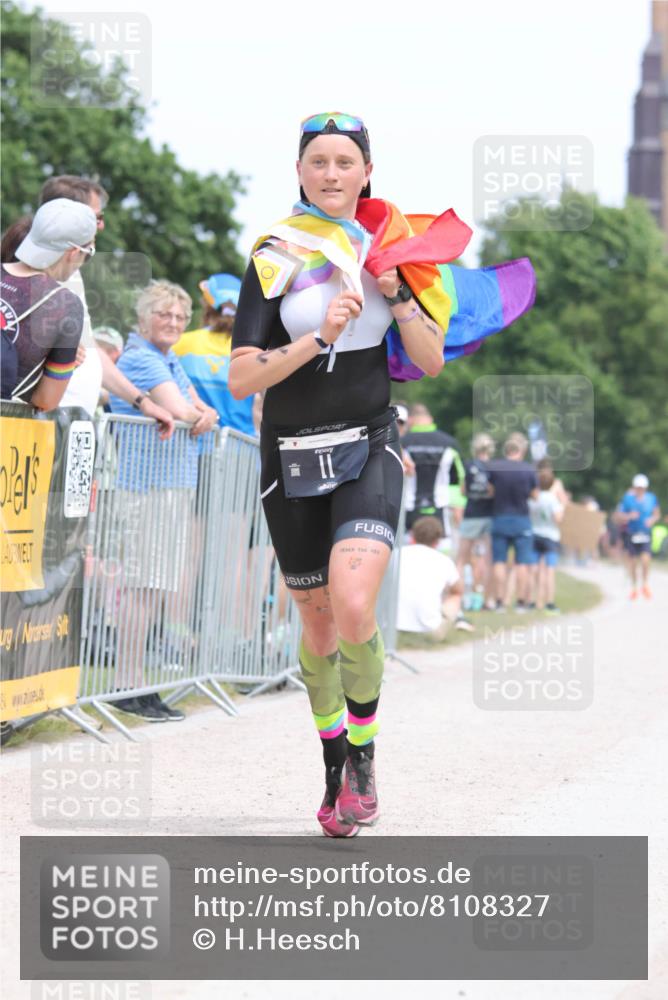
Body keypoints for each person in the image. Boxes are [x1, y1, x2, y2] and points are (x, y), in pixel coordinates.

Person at [229, 112, 448, 838]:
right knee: (319, 627)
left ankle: (364, 759)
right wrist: (316, 337)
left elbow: (430, 358)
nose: (331, 173)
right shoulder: (274, 253)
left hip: (368, 444)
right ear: (299, 172)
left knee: (354, 603)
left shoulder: (392, 250)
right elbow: (240, 377)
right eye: (317, 161)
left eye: (344, 162)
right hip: (289, 455)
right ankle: (333, 771)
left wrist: (398, 294)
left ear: (366, 173)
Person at [108, 280, 219, 722]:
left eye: (180, 316)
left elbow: (200, 408)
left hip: (168, 484)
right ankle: (126, 684)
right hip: (147, 485)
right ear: (144, 318)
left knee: (153, 587)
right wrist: (198, 415)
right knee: (143, 584)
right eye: (164, 314)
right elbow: (185, 410)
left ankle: (137, 682)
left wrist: (200, 414)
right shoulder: (141, 358)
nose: (173, 322)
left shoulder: (168, 359)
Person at [30, 175, 174, 436]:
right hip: (40, 426)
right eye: (97, 217)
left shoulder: (70, 270)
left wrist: (142, 402)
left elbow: (90, 350)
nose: (102, 225)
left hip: (70, 426)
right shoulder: (32, 269)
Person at [1, 198, 95, 409]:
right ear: (73, 253)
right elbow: (46, 401)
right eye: (88, 253)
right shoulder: (66, 305)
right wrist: (63, 364)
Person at [173, 272, 254, 434]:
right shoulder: (251, 350)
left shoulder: (179, 343)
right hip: (241, 444)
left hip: (193, 440)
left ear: (207, 306)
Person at [397, 516, 473, 639]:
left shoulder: (396, 554)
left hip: (391, 625)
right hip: (429, 629)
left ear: (412, 536)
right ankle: (448, 624)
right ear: (438, 541)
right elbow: (458, 590)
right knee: (455, 596)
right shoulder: (444, 561)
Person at [487, 432, 538, 612]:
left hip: (500, 517)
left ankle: (499, 602)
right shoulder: (529, 469)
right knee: (521, 562)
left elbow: (490, 491)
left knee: (499, 561)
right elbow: (535, 495)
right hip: (521, 519)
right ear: (522, 450)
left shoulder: (495, 468)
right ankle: (521, 603)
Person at [402, 403, 465, 545]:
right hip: (439, 506)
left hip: (409, 507)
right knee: (441, 548)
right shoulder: (450, 443)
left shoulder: (402, 442)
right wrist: (459, 504)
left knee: (409, 550)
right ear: (430, 419)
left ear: (410, 420)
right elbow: (460, 477)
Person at [457, 433, 495, 610]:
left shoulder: (468, 465)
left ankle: (459, 598)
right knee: (487, 560)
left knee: (462, 559)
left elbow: (463, 491)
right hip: (489, 515)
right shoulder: (494, 467)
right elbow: (493, 491)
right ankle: (487, 599)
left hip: (471, 514)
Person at [616, 474, 661, 600]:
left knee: (646, 560)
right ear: (635, 487)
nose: (640, 489)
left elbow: (657, 514)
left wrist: (652, 520)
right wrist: (629, 516)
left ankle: (645, 584)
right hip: (632, 533)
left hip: (645, 533)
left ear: (645, 488)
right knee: (633, 562)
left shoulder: (652, 498)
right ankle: (634, 587)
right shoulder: (627, 499)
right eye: (638, 487)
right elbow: (619, 515)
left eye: (642, 487)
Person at [528, 464, 564, 612]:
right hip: (550, 536)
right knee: (549, 570)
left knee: (533, 569)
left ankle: (533, 601)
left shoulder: (533, 499)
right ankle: (549, 602)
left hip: (535, 534)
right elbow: (558, 519)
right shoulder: (553, 499)